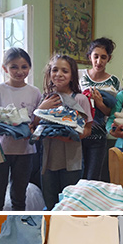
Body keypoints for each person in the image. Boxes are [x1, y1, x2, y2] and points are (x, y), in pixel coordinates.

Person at [0, 47, 42, 211]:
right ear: (4, 68)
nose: (19, 71)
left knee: (19, 199)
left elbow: (38, 122)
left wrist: (31, 130)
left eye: (24, 67)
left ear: (29, 68)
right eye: (14, 67)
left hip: (25, 151)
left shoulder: (35, 92)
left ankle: (17, 229)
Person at [35, 54, 92, 209]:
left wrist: (73, 135)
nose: (59, 74)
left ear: (72, 75)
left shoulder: (80, 99)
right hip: (48, 159)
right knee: (50, 201)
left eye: (64, 71)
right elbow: (34, 126)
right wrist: (40, 109)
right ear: (49, 73)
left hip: (72, 158)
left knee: (70, 202)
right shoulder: (46, 98)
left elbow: (88, 128)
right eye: (55, 70)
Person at [80, 37, 121, 181]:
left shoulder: (113, 81)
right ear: (89, 56)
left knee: (93, 178)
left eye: (103, 57)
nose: (99, 61)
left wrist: (99, 103)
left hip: (98, 136)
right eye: (95, 56)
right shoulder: (80, 75)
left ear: (108, 58)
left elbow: (113, 113)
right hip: (78, 134)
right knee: (77, 178)